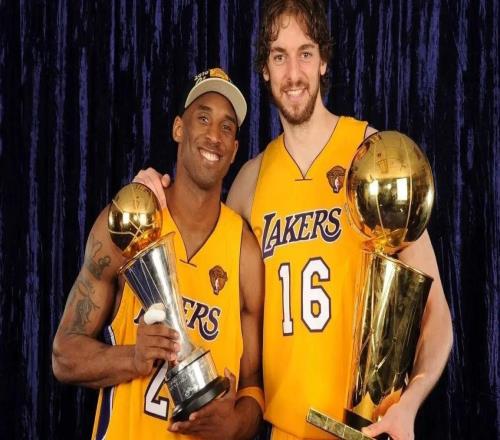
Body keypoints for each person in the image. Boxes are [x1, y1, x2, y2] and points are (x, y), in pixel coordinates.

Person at [134, 1, 454, 439]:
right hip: (284, 430)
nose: (293, 73)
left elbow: (436, 314)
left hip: (367, 429)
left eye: (305, 53)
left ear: (323, 61)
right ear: (265, 70)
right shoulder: (250, 182)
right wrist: (154, 192)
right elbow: (202, 261)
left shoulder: (372, 153)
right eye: (279, 56)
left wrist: (410, 405)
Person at [52, 68, 265, 440]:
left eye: (227, 127)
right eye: (203, 119)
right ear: (179, 128)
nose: (214, 136)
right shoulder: (130, 222)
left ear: (234, 150)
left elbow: (253, 385)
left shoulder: (245, 253)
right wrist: (132, 357)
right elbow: (64, 355)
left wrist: (234, 425)